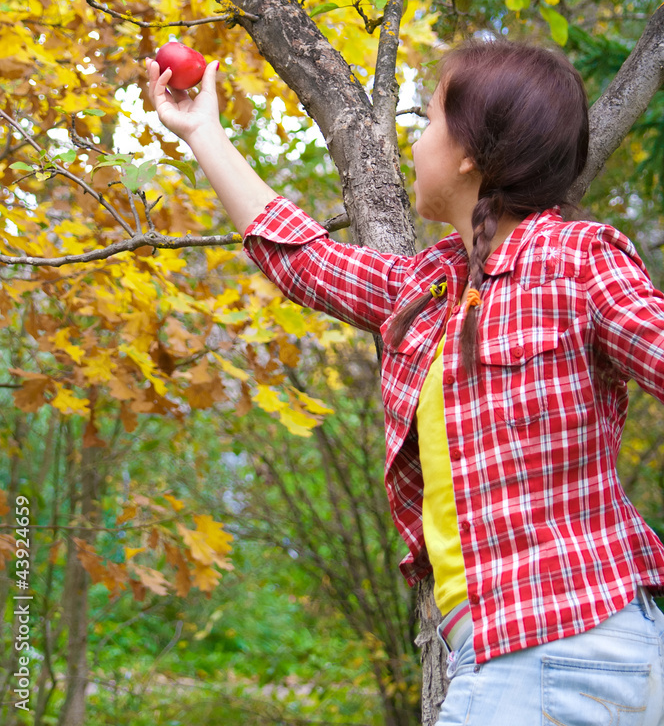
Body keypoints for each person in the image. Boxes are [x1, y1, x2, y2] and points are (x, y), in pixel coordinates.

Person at [146, 39, 664, 725]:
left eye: (429, 121)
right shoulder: (432, 287)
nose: (414, 143)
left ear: (470, 153)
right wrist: (202, 131)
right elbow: (304, 260)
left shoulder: (573, 259)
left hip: (559, 646)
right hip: (523, 653)